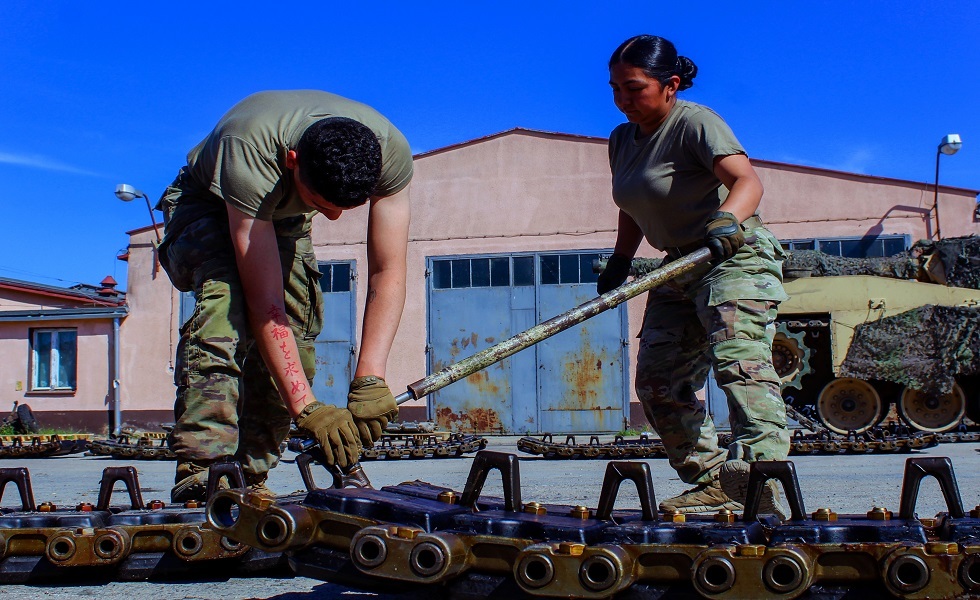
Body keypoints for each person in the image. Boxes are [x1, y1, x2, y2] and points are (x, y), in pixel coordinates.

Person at [157, 90, 412, 502]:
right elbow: (265, 302)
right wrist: (307, 410)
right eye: (323, 205)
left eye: (346, 209)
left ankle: (250, 474)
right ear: (293, 161)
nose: (332, 218)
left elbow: (388, 269)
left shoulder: (391, 154)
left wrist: (371, 377)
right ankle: (204, 471)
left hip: (285, 217)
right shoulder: (249, 149)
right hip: (206, 203)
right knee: (226, 311)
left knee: (297, 329)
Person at [599, 36, 791, 517]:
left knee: (739, 360)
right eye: (615, 88)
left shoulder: (696, 123)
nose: (623, 99)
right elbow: (633, 206)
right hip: (678, 265)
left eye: (634, 88)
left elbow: (747, 181)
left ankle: (759, 476)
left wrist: (727, 219)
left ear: (671, 85)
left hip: (732, 255)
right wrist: (621, 260)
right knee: (658, 382)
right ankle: (712, 481)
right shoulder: (622, 139)